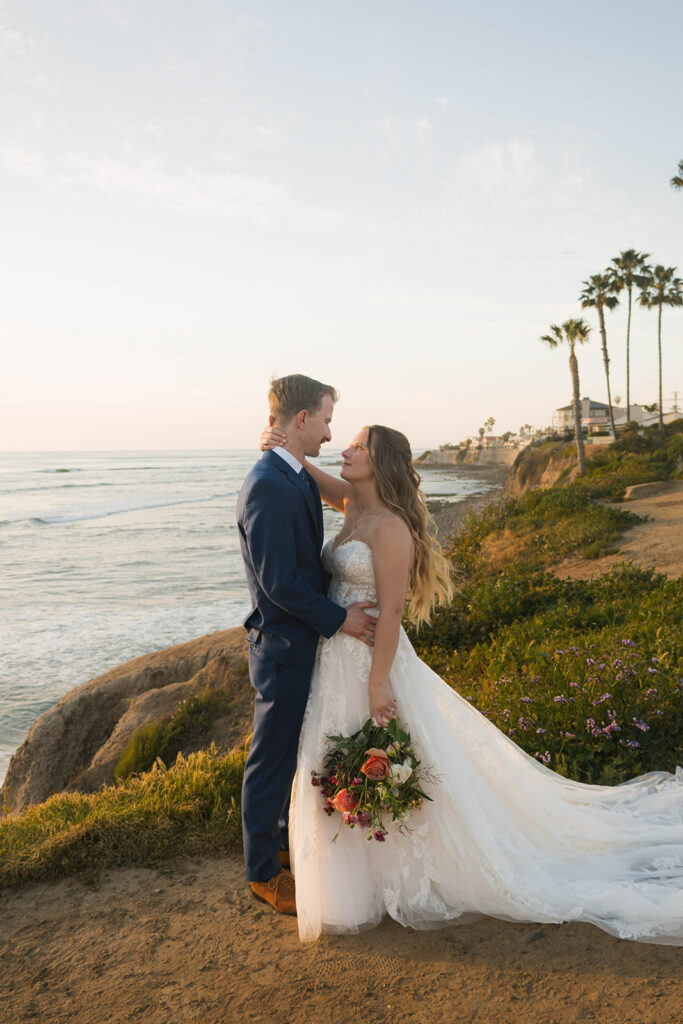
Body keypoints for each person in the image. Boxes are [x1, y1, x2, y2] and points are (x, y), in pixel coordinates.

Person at [259, 421, 683, 945]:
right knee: (336, 758)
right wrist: (281, 449)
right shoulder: (352, 503)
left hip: (371, 659)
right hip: (335, 657)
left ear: (381, 462)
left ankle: (401, 875)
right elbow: (311, 476)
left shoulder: (389, 526)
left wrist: (377, 683)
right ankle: (360, 878)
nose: (345, 448)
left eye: (359, 445)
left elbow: (391, 612)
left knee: (372, 757)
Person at [236, 374, 379, 916]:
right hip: (282, 644)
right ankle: (264, 874)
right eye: (324, 419)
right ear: (301, 420)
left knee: (289, 752)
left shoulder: (289, 473)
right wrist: (339, 618)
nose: (328, 430)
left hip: (298, 640)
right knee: (271, 757)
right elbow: (280, 583)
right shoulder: (270, 483)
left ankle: (279, 849)